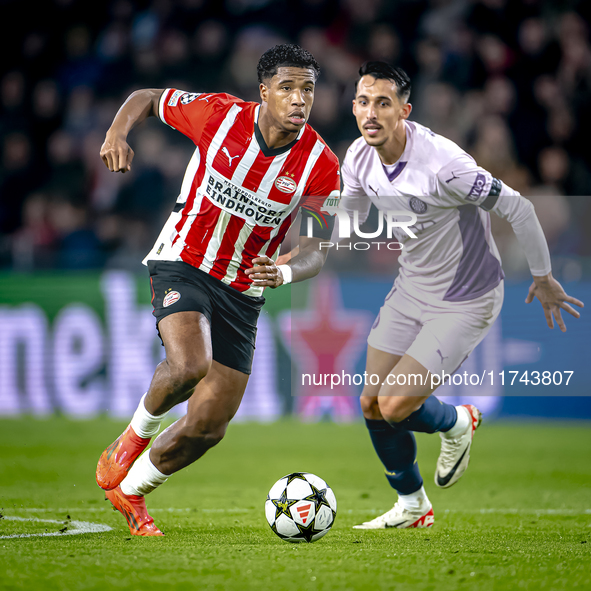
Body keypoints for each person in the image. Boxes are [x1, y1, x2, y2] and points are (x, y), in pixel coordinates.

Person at [95, 44, 340, 536]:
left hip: (243, 292)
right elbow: (146, 96)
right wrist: (117, 132)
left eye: (308, 90)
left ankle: (132, 492)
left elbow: (317, 250)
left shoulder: (322, 165)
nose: (299, 100)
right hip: (184, 261)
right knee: (190, 365)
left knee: (209, 427)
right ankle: (132, 437)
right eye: (288, 88)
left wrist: (287, 273)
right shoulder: (219, 115)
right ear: (264, 91)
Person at [339, 62, 584, 529]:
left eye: (384, 103)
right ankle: (413, 507)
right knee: (371, 401)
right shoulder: (357, 156)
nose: (371, 113)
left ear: (404, 111)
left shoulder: (444, 165)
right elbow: (346, 220)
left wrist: (543, 275)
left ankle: (455, 422)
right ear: (354, 106)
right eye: (364, 102)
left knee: (394, 405)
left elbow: (520, 207)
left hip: (467, 296)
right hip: (412, 287)